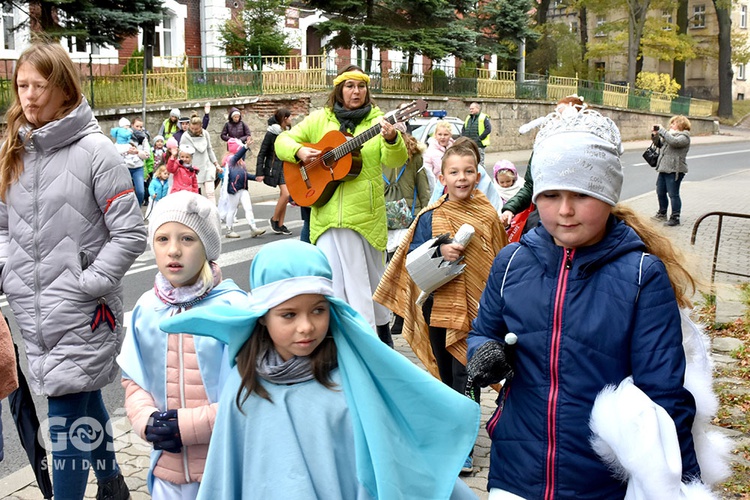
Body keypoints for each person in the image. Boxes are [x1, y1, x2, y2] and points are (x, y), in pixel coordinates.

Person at [465, 108, 702, 499]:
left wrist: (687, 485)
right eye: (551, 195)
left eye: (582, 195)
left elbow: (664, 395)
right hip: (516, 470)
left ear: (608, 195)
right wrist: (485, 351)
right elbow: (482, 331)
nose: (565, 211)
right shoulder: (510, 262)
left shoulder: (642, 276)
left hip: (600, 481)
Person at [159, 239, 480, 500]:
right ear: (263, 317)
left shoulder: (351, 381)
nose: (306, 326)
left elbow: (394, 456)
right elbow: (226, 478)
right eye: (288, 315)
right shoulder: (244, 389)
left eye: (318, 310)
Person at [0, 42, 148, 500]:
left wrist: (89, 284)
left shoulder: (97, 151)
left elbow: (131, 233)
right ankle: (112, 483)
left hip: (85, 310)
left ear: (63, 88)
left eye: (38, 86)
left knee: (64, 415)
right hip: (33, 308)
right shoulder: (13, 151)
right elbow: (3, 227)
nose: (28, 96)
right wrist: (9, 272)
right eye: (21, 85)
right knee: (80, 397)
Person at [374, 138, 507, 473]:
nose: (461, 177)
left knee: (469, 377)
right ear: (442, 177)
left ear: (478, 176)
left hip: (478, 312)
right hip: (437, 309)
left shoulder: (488, 215)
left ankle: (464, 444)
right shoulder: (429, 216)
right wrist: (439, 249)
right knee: (445, 376)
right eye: (453, 172)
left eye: (468, 171)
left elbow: (501, 260)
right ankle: (450, 432)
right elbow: (411, 257)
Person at [117, 191, 248, 499]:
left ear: (208, 246)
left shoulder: (234, 309)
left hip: (224, 468)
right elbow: (134, 380)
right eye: (162, 239)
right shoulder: (147, 307)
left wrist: (182, 426)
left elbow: (247, 394)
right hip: (167, 470)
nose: (173, 250)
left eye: (187, 239)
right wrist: (146, 420)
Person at [274, 65, 408, 339]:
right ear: (339, 89)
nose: (355, 91)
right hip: (326, 219)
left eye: (361, 86)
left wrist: (393, 139)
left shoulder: (378, 120)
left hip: (365, 220)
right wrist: (299, 150)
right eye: (349, 86)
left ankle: (375, 349)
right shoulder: (319, 120)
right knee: (331, 291)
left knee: (369, 293)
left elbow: (395, 161)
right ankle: (334, 348)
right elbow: (282, 141)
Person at [500, 95, 586, 228]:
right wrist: (510, 208)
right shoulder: (542, 149)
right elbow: (530, 186)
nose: (557, 119)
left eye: (563, 115)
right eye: (556, 114)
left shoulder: (586, 152)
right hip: (542, 221)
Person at [384, 123, 431, 255]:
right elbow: (423, 189)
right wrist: (425, 213)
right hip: (411, 213)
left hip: (384, 213)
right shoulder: (415, 155)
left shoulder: (379, 154)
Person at [256, 107, 294, 236]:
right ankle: (274, 219)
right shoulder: (272, 133)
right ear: (284, 118)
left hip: (287, 167)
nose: (291, 119)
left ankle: (280, 224)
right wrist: (259, 172)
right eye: (289, 117)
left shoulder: (288, 132)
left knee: (284, 196)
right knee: (286, 194)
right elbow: (262, 153)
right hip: (275, 168)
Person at [651, 115, 691, 227]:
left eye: (674, 123)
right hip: (663, 168)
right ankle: (662, 213)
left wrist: (662, 131)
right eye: (671, 123)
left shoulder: (684, 137)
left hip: (675, 170)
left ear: (681, 125)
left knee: (673, 194)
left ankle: (675, 217)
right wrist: (655, 136)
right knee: (660, 192)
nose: (671, 125)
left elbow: (674, 142)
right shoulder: (669, 134)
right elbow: (660, 144)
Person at [223, 138, 266, 239]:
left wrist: (255, 178)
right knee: (232, 209)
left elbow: (244, 174)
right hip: (234, 189)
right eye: (240, 149)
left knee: (249, 208)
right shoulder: (230, 159)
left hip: (243, 188)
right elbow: (237, 155)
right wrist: (245, 146)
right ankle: (229, 230)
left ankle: (253, 228)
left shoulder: (241, 162)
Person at [180, 112, 220, 202]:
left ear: (201, 126)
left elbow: (210, 149)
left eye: (196, 129)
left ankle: (213, 214)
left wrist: (216, 164)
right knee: (196, 195)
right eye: (192, 128)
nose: (194, 131)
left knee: (211, 193)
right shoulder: (185, 136)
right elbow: (181, 153)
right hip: (194, 168)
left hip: (206, 166)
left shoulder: (205, 134)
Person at [423, 120, 454, 189]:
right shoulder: (430, 152)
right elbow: (427, 173)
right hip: (438, 187)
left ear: (450, 135)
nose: (442, 137)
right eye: (440, 134)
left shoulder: (455, 149)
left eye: (445, 134)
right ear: (435, 135)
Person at [460, 102, 491, 168]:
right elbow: (464, 128)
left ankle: (481, 177)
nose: (471, 110)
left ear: (478, 108)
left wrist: (479, 138)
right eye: (470, 109)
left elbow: (488, 129)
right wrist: (464, 138)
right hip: (468, 144)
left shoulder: (483, 117)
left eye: (472, 109)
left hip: (479, 144)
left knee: (480, 164)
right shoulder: (468, 117)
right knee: (469, 162)